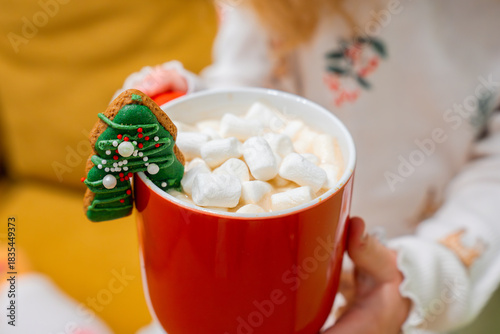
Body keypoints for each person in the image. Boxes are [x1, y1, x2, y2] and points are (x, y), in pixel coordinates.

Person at [120, 0, 500, 333]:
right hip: (221, 289)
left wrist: (409, 288)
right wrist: (182, 108)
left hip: (397, 292)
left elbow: (492, 182)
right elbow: (242, 98)